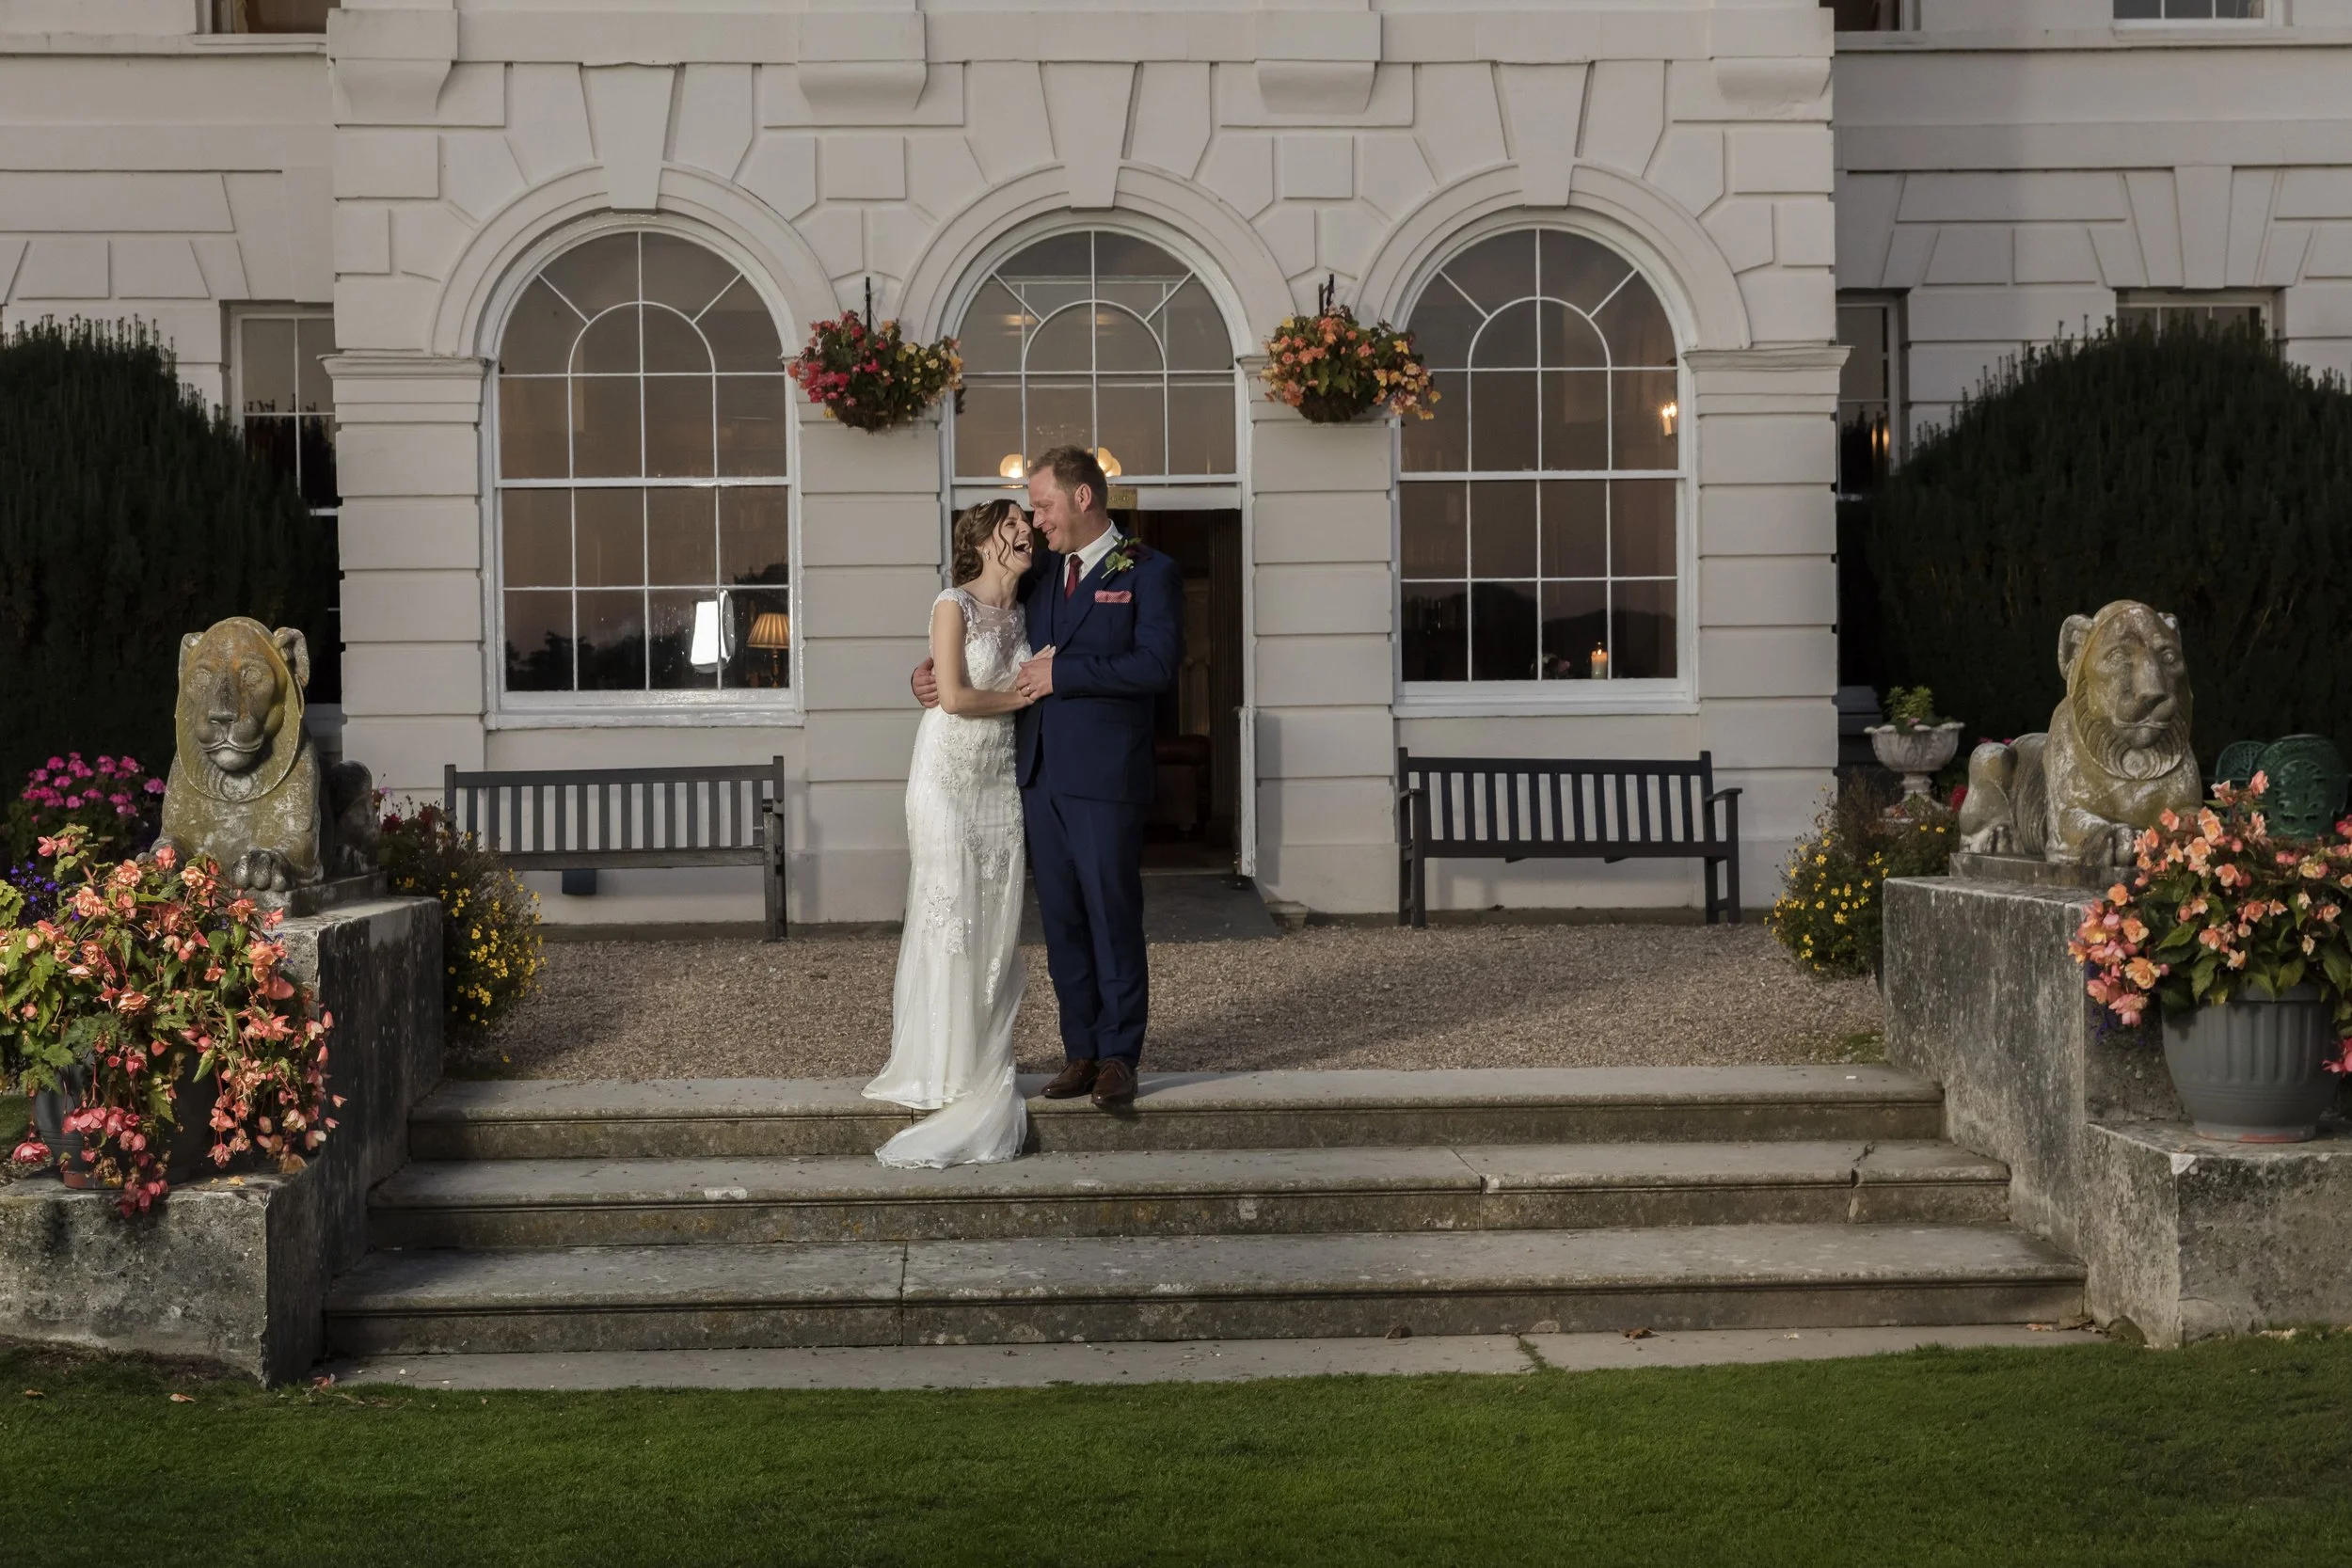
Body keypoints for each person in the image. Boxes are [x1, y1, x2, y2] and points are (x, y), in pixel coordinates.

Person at [912, 446, 1183, 1109]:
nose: (1035, 521)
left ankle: (1121, 1054)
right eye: (1032, 509)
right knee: (1061, 920)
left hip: (1105, 778)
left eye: (1043, 505)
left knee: (1111, 912)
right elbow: (985, 622)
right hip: (1033, 776)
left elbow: (1157, 666)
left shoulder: (1149, 571)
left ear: (1084, 498)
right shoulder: (1038, 578)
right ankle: (1081, 1049)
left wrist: (1067, 674)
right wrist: (927, 672)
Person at [864, 499, 1040, 1166]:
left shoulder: (1027, 610)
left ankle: (978, 1050)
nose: (1025, 531)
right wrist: (1026, 696)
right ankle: (936, 1065)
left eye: (1027, 522)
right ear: (981, 538)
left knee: (992, 919)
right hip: (944, 778)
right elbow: (957, 696)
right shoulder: (951, 605)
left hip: (998, 783)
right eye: (1010, 523)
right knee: (948, 915)